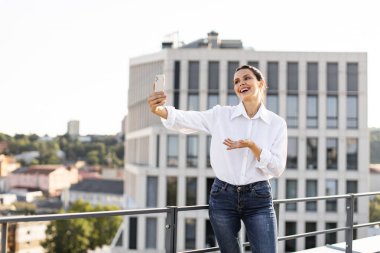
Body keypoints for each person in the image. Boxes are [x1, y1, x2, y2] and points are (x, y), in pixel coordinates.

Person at [147, 64, 287, 253]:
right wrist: (160, 111)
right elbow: (189, 119)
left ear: (261, 83)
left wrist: (253, 146)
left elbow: (277, 168)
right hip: (223, 196)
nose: (241, 83)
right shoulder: (221, 115)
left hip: (258, 198)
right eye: (236, 81)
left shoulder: (276, 124)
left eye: (246, 78)